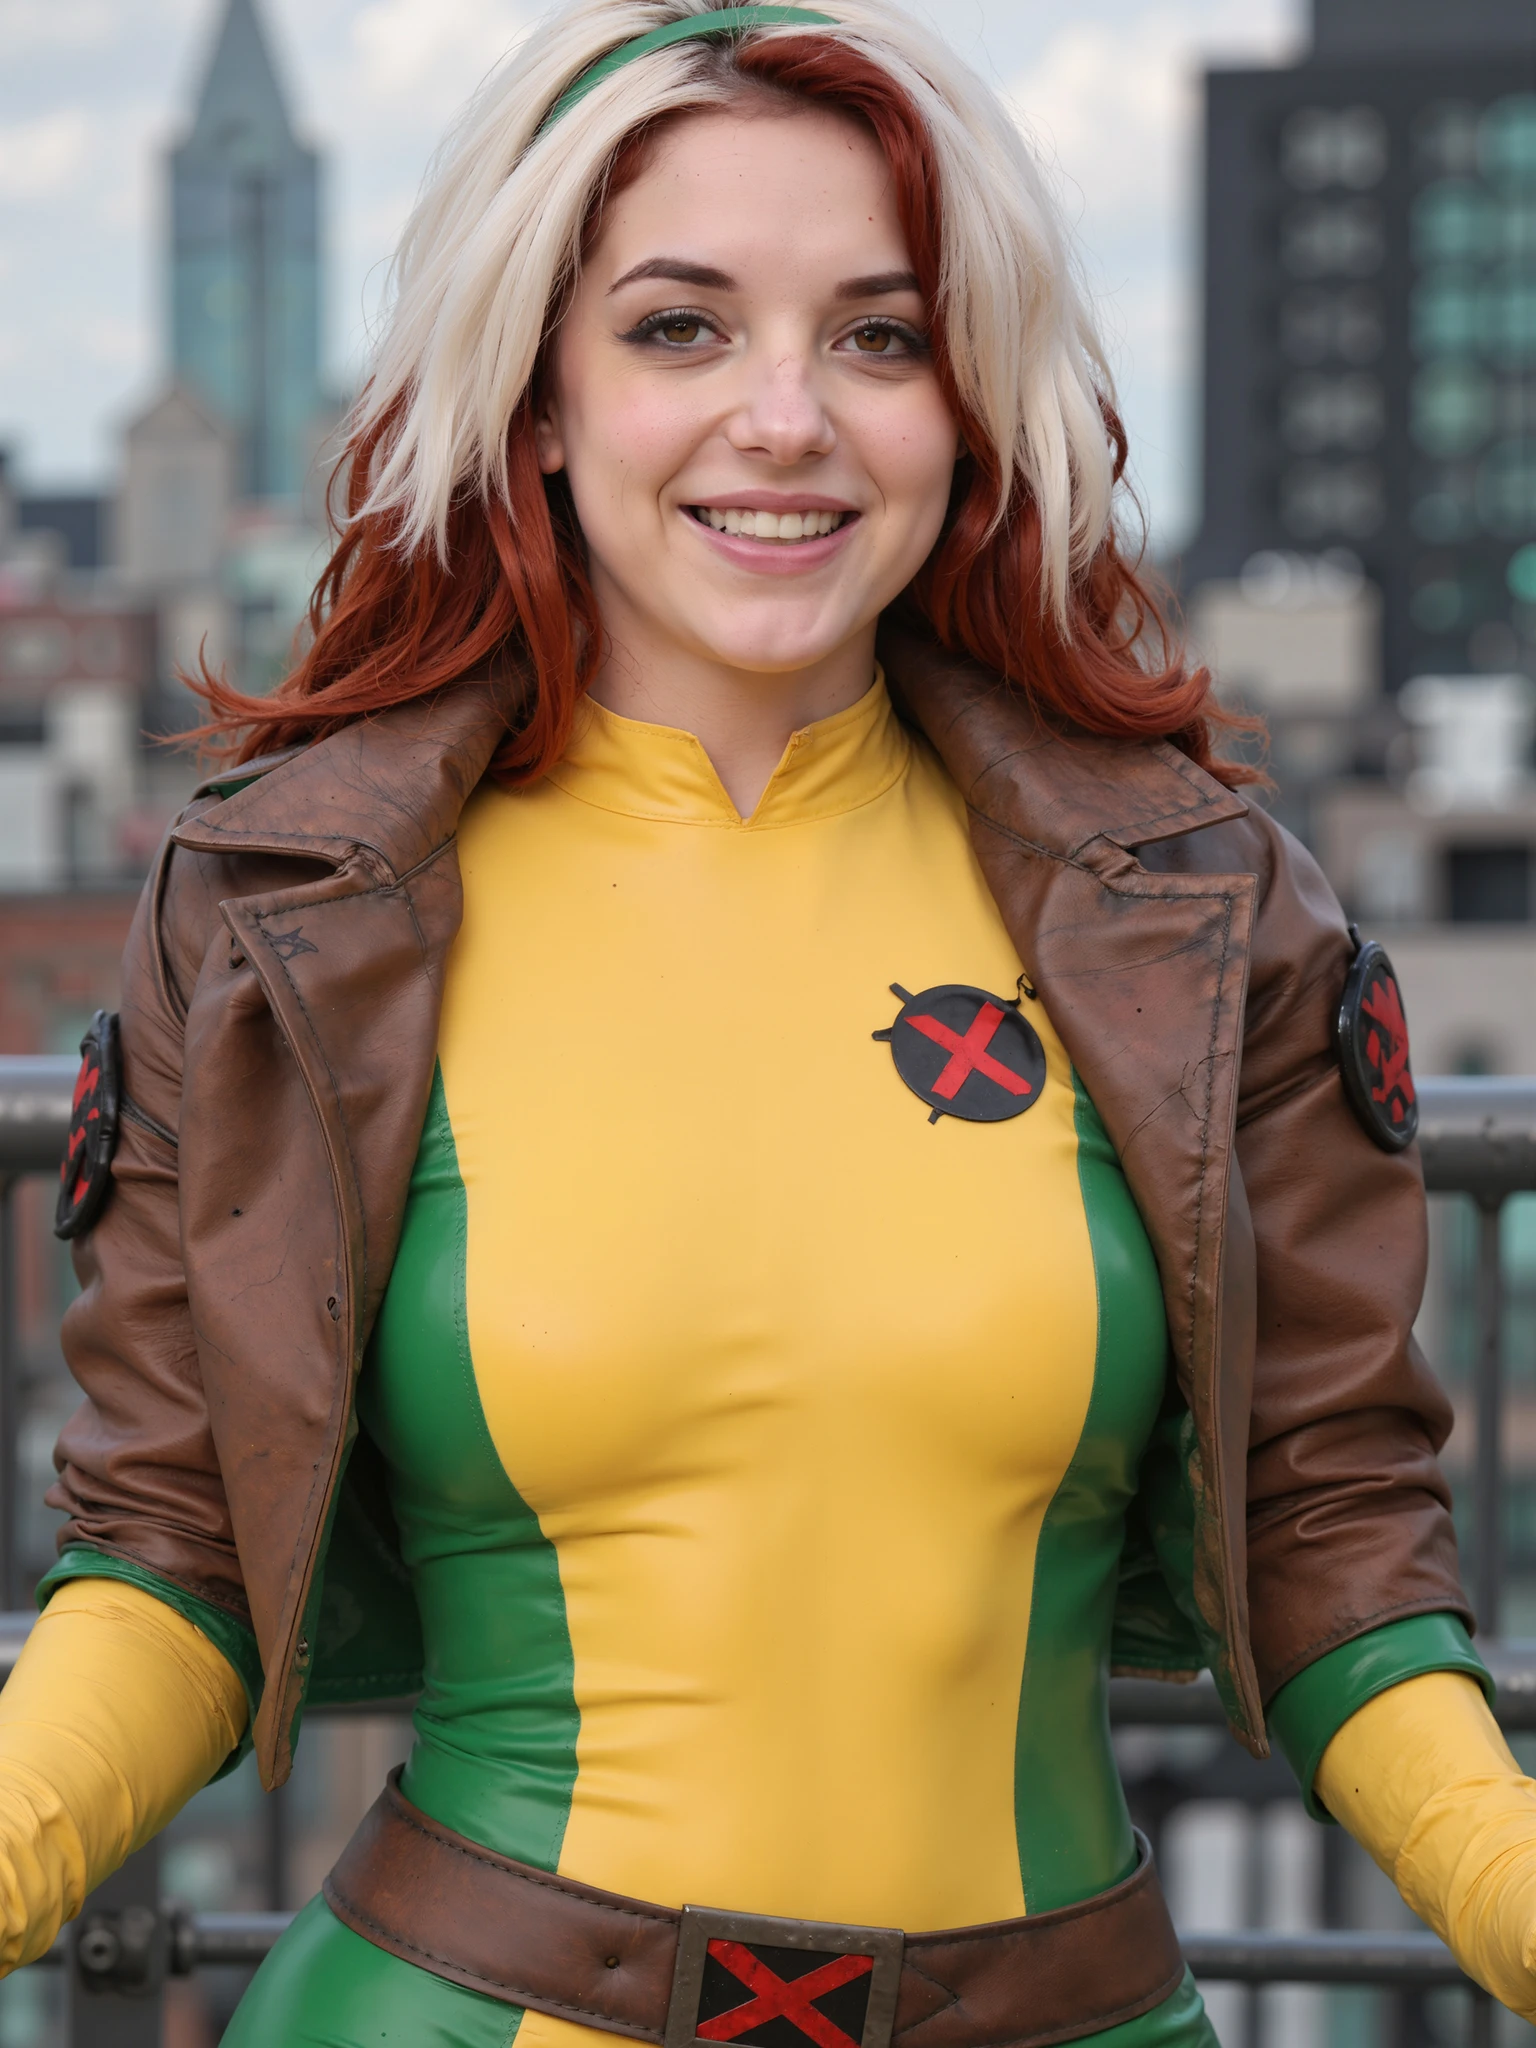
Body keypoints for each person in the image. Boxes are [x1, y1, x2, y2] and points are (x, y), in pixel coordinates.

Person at [7, 1, 1536, 2040]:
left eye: (880, 336)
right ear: (538, 396)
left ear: (968, 403)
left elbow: (1333, 1517)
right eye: (680, 328)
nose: (789, 416)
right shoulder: (295, 917)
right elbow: (173, 1549)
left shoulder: (1196, 910)